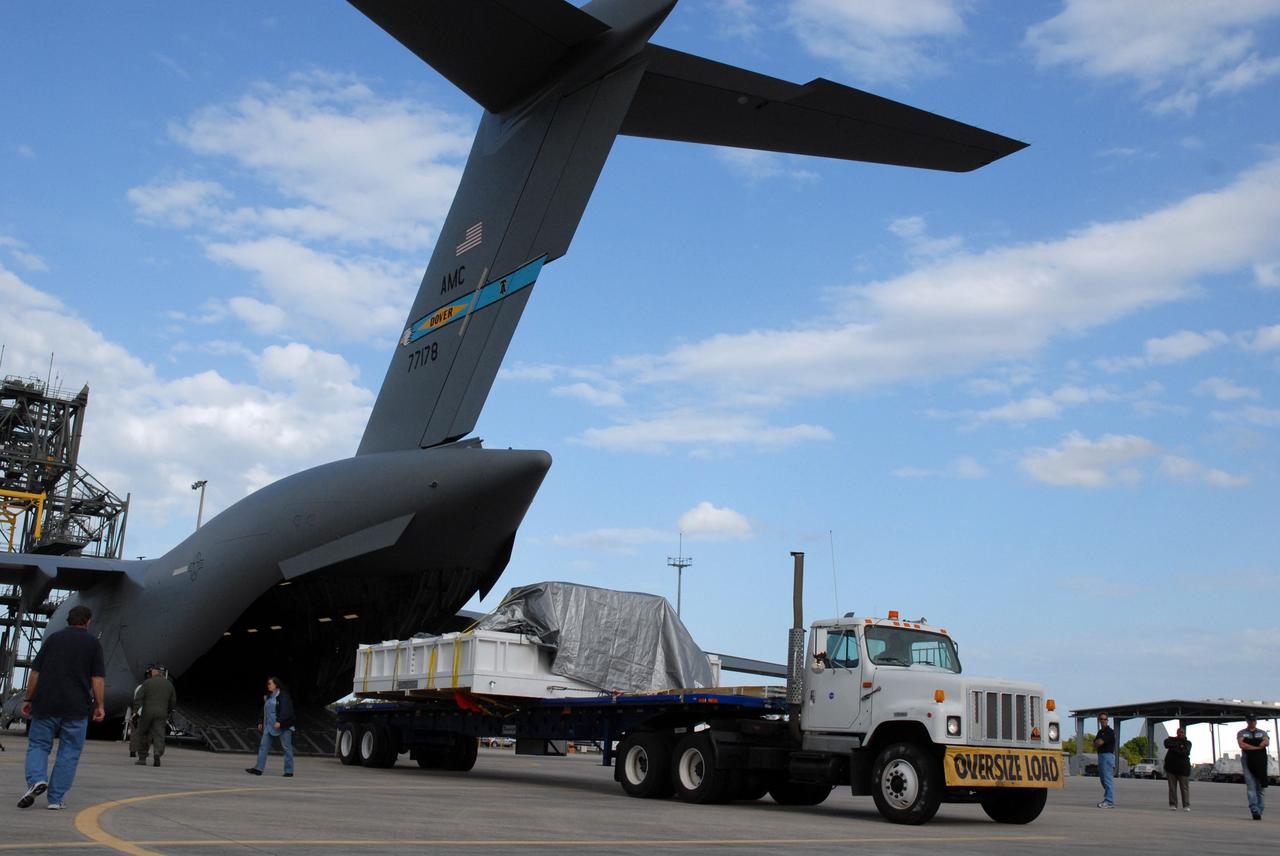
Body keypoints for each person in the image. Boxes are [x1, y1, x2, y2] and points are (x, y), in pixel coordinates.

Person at [17, 605, 105, 810]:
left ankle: (37, 779)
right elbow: (97, 678)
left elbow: (35, 673)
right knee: (70, 751)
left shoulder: (53, 639)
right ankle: (55, 799)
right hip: (76, 707)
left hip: (46, 703)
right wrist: (100, 705)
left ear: (68, 620)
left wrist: (28, 699)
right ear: (88, 621)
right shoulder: (93, 643)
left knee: (39, 745)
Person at [245, 677, 295, 777]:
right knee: (263, 746)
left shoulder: (283, 695)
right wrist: (260, 721)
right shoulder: (268, 696)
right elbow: (264, 710)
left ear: (276, 684)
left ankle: (289, 771)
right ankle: (258, 769)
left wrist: (280, 721)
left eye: (269, 683)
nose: (268, 685)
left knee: (286, 748)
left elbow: (286, 709)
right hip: (269, 725)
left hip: (283, 725)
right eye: (267, 683)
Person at [133, 664, 177, 767]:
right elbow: (173, 701)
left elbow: (138, 698)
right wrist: (168, 711)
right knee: (159, 735)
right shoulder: (169, 685)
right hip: (161, 713)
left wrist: (135, 712)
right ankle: (157, 753)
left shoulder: (147, 683)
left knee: (143, 733)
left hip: (147, 712)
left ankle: (142, 758)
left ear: (154, 672)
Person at [1237, 716, 1270, 820]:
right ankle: (1254, 808)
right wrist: (1257, 747)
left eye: (1254, 720)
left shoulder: (1262, 732)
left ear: (1256, 721)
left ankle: (1260, 808)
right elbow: (1242, 745)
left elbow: (1266, 742)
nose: (1252, 722)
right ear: (1247, 721)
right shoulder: (1242, 733)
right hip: (1248, 761)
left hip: (1260, 761)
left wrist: (1250, 744)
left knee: (1260, 786)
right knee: (1251, 785)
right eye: (1250, 720)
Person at [1163, 725, 1192, 811]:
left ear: (1184, 733)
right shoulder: (1171, 740)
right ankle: (1173, 804)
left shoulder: (1188, 743)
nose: (1180, 734)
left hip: (1183, 770)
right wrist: (1179, 746)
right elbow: (1166, 743)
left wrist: (1174, 746)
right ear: (1177, 733)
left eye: (1182, 732)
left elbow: (1185, 752)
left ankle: (1186, 805)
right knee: (1172, 788)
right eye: (1179, 732)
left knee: (1184, 788)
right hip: (1171, 769)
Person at [1094, 712, 1116, 808]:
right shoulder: (1100, 732)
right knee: (1103, 780)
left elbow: (1099, 742)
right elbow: (1095, 743)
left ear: (1107, 720)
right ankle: (1107, 798)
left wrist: (1098, 742)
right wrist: (1098, 742)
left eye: (1105, 719)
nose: (1103, 721)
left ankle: (1109, 801)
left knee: (1107, 779)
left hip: (1107, 756)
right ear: (1099, 720)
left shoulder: (1109, 731)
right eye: (1101, 719)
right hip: (1101, 756)